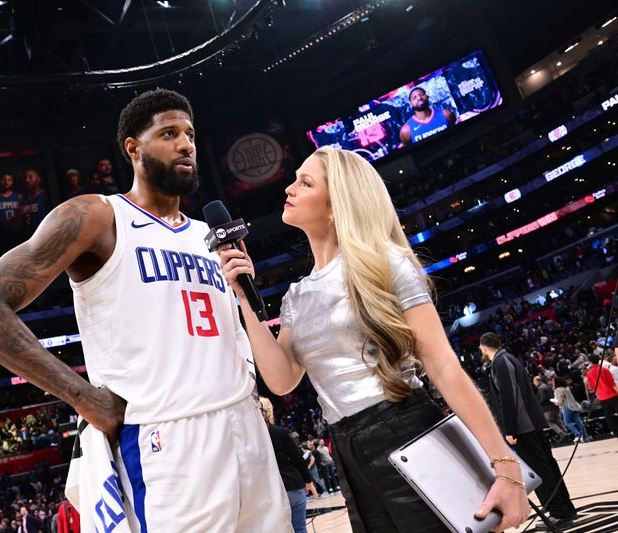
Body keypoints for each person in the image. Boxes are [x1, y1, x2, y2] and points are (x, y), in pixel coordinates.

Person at [0, 88, 290, 532]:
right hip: (168, 442)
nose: (186, 143)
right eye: (168, 133)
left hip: (247, 426)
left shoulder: (211, 236)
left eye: (189, 133)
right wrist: (83, 397)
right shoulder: (98, 216)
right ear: (133, 148)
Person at [218, 147, 530, 532]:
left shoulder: (386, 263)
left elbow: (443, 365)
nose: (290, 187)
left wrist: (506, 468)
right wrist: (244, 300)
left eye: (305, 181)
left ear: (336, 206)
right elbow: (282, 380)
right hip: (347, 450)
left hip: (405, 429)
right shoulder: (296, 296)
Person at [480, 333, 578, 530]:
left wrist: (509, 429)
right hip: (530, 423)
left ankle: (559, 512)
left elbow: (509, 397)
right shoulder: (509, 359)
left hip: (523, 426)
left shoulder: (501, 362)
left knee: (540, 470)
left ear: (483, 348)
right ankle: (565, 509)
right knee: (548, 466)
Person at [261, 396, 313, 533]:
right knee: (300, 529)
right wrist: (308, 481)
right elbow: (298, 460)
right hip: (292, 484)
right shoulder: (280, 432)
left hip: (269, 490)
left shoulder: (250, 438)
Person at [585, 353, 618, 437]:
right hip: (613, 395)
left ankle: (616, 433)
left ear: (590, 362)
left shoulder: (589, 373)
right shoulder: (604, 370)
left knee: (609, 417)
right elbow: (613, 384)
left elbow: (592, 388)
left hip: (602, 398)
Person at [552, 377, 588, 442]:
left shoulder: (558, 390)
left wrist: (555, 402)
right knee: (578, 421)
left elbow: (560, 401)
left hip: (566, 407)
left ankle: (577, 434)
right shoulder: (566, 388)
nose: (553, 383)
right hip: (574, 406)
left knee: (567, 422)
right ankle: (585, 435)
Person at [0, 173, 23, 247]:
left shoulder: (19, 197)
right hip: (1, 232)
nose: (6, 182)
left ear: (12, 182)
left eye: (9, 180)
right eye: (4, 180)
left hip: (16, 231)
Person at [533, 375, 568, 440]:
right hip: (554, 406)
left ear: (537, 381)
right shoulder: (547, 386)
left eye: (534, 381)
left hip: (548, 408)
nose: (534, 383)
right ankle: (566, 432)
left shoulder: (540, 388)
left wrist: (537, 404)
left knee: (549, 421)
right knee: (558, 421)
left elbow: (543, 398)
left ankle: (561, 433)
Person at [19, 168, 49, 237]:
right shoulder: (23, 199)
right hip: (28, 238)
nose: (27, 180)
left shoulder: (45, 195)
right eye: (25, 178)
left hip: (44, 236)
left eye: (30, 177)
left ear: (38, 179)